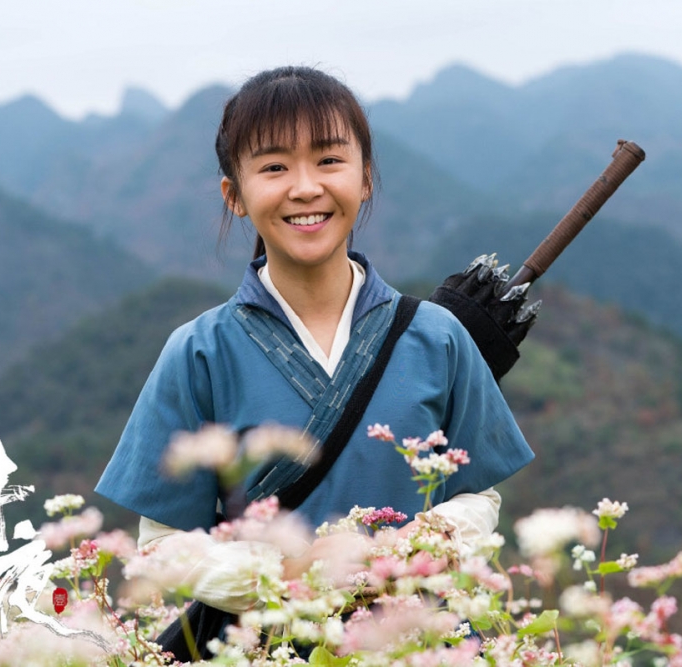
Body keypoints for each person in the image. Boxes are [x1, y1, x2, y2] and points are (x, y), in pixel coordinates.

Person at [95, 66, 534, 654]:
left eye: (329, 160)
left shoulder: (438, 336)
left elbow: (478, 497)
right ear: (236, 195)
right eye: (274, 167)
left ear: (366, 178)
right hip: (264, 650)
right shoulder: (200, 352)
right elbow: (162, 544)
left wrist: (402, 551)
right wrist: (288, 579)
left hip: (421, 646)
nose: (305, 187)